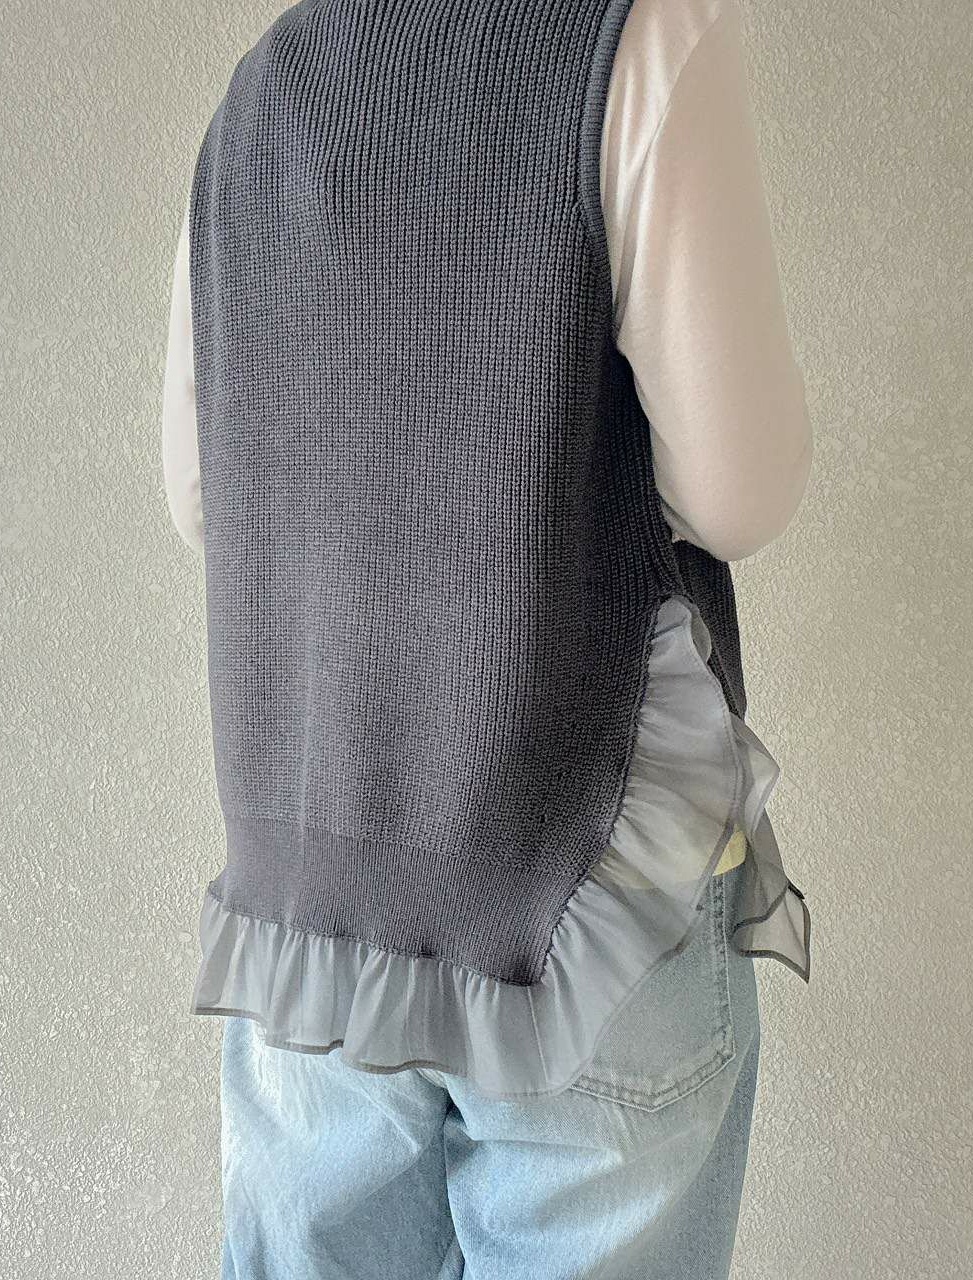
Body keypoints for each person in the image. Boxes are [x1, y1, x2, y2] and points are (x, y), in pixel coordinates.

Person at [161, 0, 814, 1275]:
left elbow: (203, 492)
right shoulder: (642, 43)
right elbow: (739, 488)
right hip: (581, 881)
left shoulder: (261, 89)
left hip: (319, 906)